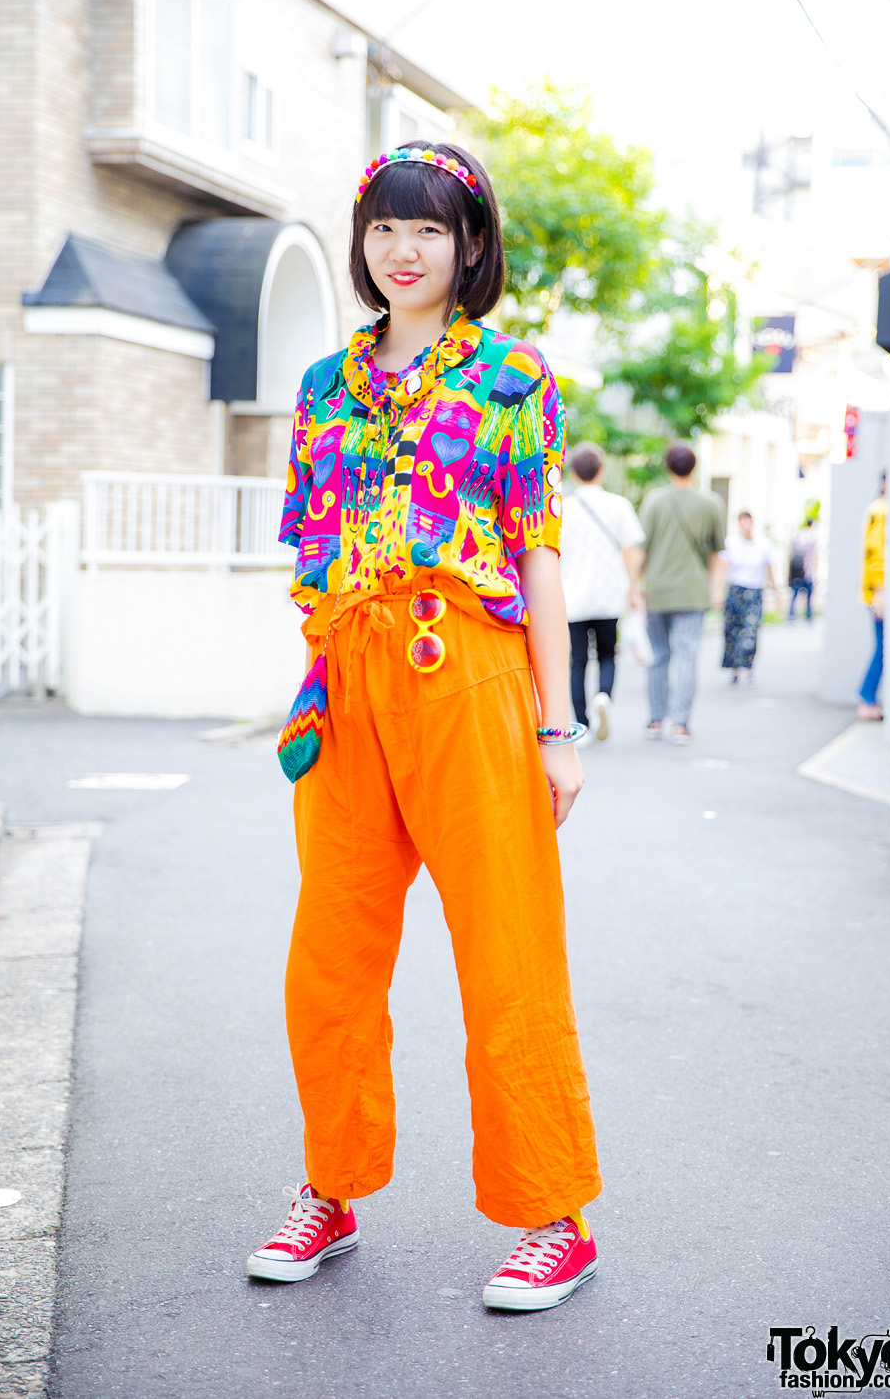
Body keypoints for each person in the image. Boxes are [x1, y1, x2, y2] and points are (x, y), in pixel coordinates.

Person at [248, 142, 602, 1313]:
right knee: (330, 959)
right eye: (385, 230)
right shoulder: (320, 387)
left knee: (506, 954)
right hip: (348, 685)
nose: (404, 251)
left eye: (430, 231)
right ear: (362, 244)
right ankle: (329, 1187)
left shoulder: (511, 378)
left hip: (474, 677)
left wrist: (559, 725)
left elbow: (537, 553)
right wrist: (312, 680)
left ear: (469, 248)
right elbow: (309, 542)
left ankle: (553, 1214)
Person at [638, 443, 726, 745]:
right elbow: (717, 554)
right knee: (687, 656)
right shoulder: (711, 503)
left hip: (657, 592)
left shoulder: (653, 502)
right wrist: (716, 590)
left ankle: (655, 720)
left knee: (658, 656)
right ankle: (680, 725)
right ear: (695, 466)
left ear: (667, 467)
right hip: (692, 592)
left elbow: (642, 550)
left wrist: (634, 587)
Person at [559, 442, 644, 743]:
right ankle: (604, 697)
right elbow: (633, 550)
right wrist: (634, 589)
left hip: (574, 597)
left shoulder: (563, 508)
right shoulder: (619, 505)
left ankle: (580, 725)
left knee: (578, 660)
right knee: (608, 654)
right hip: (610, 596)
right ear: (601, 471)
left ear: (573, 472)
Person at [721, 510, 778, 685]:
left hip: (754, 590)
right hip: (735, 589)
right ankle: (735, 669)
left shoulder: (763, 544)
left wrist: (776, 592)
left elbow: (769, 568)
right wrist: (718, 591)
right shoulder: (730, 543)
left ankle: (749, 668)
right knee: (733, 630)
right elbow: (723, 566)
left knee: (751, 630)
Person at [857, 472, 886, 721]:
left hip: (880, 593)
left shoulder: (880, 509)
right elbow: (875, 553)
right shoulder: (881, 511)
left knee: (883, 648)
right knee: (883, 649)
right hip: (881, 595)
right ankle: (867, 699)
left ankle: (868, 699)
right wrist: (880, 591)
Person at [787, 517, 818, 620]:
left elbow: (791, 553)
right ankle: (808, 615)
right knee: (809, 595)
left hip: (798, 570)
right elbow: (815, 556)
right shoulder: (813, 537)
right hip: (808, 570)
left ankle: (791, 615)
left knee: (795, 594)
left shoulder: (799, 535)